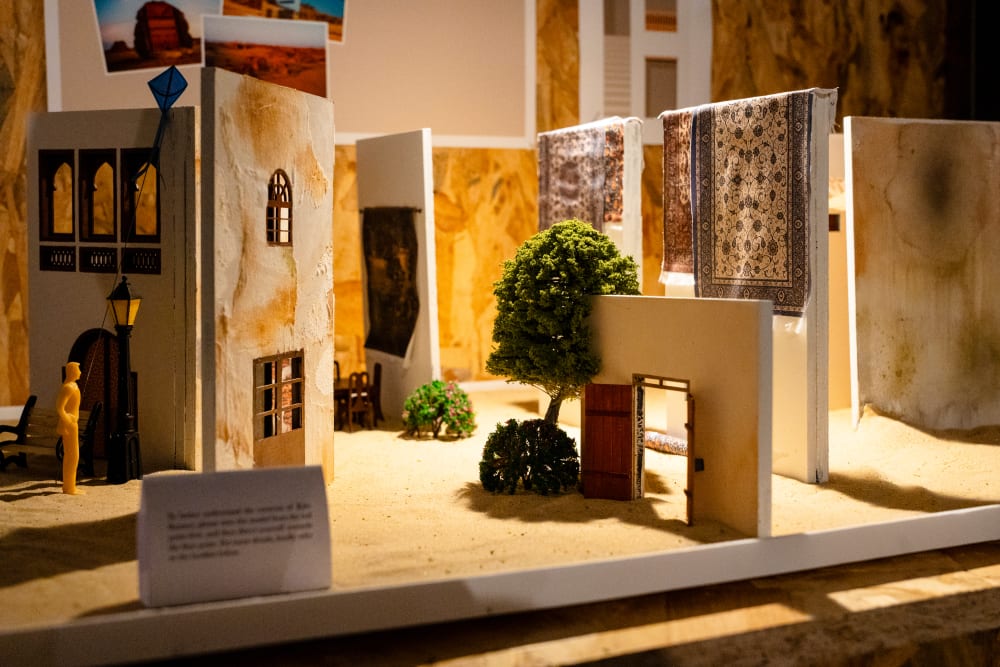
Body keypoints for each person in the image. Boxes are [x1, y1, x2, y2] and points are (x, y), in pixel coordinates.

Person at [56, 361, 84, 495]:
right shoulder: (68, 387)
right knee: (72, 455)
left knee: (73, 455)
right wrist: (68, 419)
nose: (80, 372)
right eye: (78, 370)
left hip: (73, 424)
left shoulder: (74, 386)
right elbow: (59, 407)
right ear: (73, 371)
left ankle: (70, 485)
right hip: (69, 424)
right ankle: (69, 487)